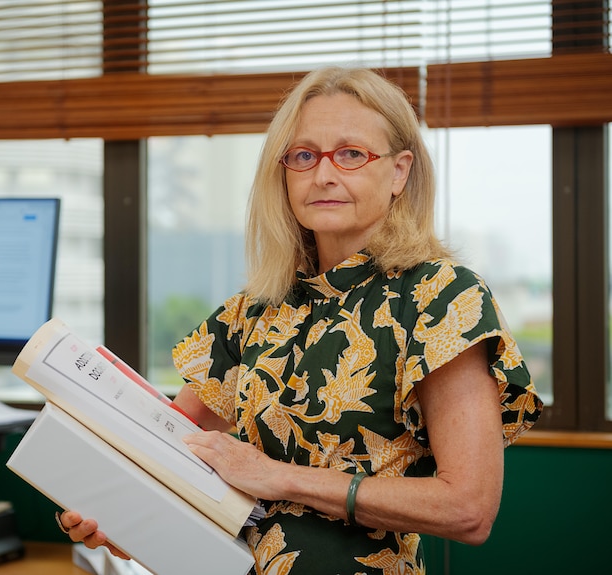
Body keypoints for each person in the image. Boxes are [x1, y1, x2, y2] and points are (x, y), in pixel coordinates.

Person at [57, 66, 543, 574]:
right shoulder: (254, 307)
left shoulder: (440, 297)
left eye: (352, 154)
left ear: (400, 171)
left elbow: (469, 509)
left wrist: (279, 477)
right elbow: (168, 454)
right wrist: (114, 508)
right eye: (304, 155)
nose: (324, 175)